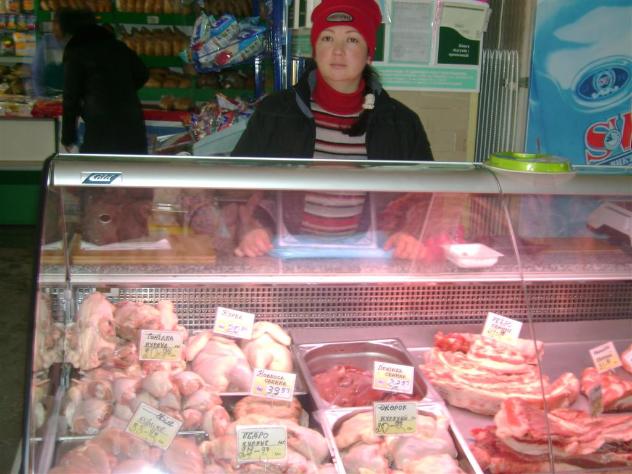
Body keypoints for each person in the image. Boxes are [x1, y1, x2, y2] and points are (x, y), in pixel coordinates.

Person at [231, 0, 434, 259]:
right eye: (327, 38)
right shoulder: (275, 112)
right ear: (315, 50)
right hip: (284, 257)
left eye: (352, 40)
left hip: (371, 261)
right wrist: (252, 229)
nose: (338, 51)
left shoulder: (401, 123)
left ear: (369, 53)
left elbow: (426, 197)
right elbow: (237, 187)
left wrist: (410, 233)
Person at [60, 9, 149, 154]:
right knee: (131, 165)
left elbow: (71, 97)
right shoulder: (118, 46)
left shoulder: (75, 51)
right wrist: (123, 90)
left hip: (100, 123)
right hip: (131, 120)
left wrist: (68, 136)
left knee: (99, 166)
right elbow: (143, 73)